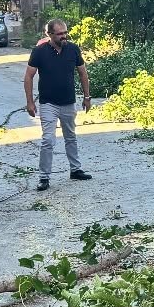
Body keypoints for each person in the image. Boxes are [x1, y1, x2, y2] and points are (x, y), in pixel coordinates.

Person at [24, 18, 92, 191]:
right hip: (48, 103)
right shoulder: (39, 52)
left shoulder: (73, 49)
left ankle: (75, 170)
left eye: (65, 32)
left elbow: (83, 74)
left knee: (71, 136)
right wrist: (30, 102)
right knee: (48, 139)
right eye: (60, 33)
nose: (64, 36)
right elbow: (29, 77)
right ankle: (44, 177)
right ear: (50, 34)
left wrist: (87, 97)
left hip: (69, 102)